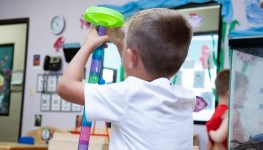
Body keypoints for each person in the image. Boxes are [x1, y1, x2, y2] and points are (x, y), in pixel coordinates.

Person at [57, 8, 195, 150]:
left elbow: (65, 87)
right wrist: (122, 44)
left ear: (131, 57)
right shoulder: (185, 99)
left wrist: (87, 46)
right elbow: (139, 76)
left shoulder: (126, 96)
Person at [206, 69, 230, 150]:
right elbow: (219, 137)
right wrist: (211, 132)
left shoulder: (217, 111)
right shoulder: (228, 113)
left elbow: (210, 144)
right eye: (243, 92)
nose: (246, 97)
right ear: (229, 93)